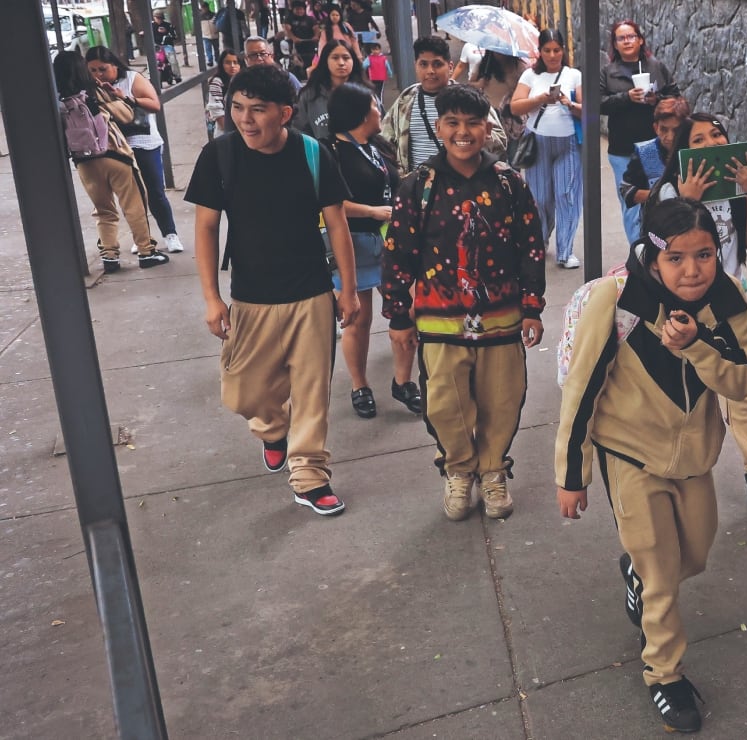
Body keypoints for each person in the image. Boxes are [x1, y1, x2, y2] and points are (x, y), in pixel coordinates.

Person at [556, 199, 747, 734]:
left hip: (694, 460)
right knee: (663, 573)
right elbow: (581, 391)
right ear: (652, 255)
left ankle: (636, 575)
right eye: (676, 258)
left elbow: (744, 381)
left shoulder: (727, 298)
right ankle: (664, 673)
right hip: (631, 455)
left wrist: (697, 347)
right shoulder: (618, 299)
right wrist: (571, 476)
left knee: (694, 553)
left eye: (705, 255)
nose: (692, 270)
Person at [185, 63, 359, 516]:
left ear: (284, 113)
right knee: (243, 393)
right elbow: (206, 228)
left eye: (257, 110)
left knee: (312, 389)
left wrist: (349, 290)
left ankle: (309, 474)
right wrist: (211, 297)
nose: (245, 119)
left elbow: (337, 225)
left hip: (311, 293)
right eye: (238, 108)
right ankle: (272, 427)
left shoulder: (313, 154)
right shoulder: (220, 156)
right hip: (250, 296)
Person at [380, 85, 546, 521]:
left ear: (487, 127)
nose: (463, 132)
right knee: (445, 403)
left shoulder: (509, 183)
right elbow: (398, 252)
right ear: (439, 129)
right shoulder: (417, 187)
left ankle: (492, 471)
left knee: (503, 399)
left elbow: (531, 246)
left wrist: (532, 306)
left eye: (472, 122)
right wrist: (398, 314)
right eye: (452, 123)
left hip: (502, 317)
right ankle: (458, 468)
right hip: (439, 321)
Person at [647, 113, 747, 515]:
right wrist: (686, 200)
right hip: (681, 307)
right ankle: (673, 472)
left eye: (717, 134)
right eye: (699, 138)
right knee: (682, 391)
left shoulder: (735, 192)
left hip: (728, 306)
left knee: (743, 393)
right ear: (684, 150)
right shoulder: (669, 192)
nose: (711, 143)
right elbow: (659, 250)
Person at [324, 82, 402, 419]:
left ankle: (404, 381)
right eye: (374, 105)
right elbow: (329, 203)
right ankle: (360, 385)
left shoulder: (378, 146)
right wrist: (371, 211)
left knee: (404, 310)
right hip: (351, 245)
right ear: (359, 112)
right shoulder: (331, 152)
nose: (379, 110)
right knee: (357, 317)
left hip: (389, 241)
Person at [52, 51, 169, 273]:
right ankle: (146, 252)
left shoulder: (56, 98)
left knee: (103, 210)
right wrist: (113, 96)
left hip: (84, 161)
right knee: (134, 205)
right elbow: (126, 115)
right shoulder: (94, 91)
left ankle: (110, 256)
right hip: (115, 155)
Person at [85, 46, 185, 255]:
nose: (98, 75)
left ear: (114, 65)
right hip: (117, 147)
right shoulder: (92, 88)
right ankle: (143, 238)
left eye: (102, 69)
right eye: (93, 71)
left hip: (143, 141)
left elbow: (154, 104)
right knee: (133, 197)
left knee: (155, 191)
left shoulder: (131, 79)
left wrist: (126, 98)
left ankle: (170, 233)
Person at [380, 36, 507, 176]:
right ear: (415, 65)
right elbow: (385, 140)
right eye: (423, 64)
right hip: (417, 188)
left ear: (450, 67)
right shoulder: (405, 99)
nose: (430, 71)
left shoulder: (468, 99)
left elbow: (500, 142)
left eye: (437, 64)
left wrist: (469, 138)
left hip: (461, 186)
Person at [509, 29, 583, 268]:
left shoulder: (574, 75)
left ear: (563, 51)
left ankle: (565, 250)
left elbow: (588, 111)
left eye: (557, 50)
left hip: (568, 142)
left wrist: (569, 103)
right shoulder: (530, 75)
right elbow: (515, 107)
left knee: (567, 196)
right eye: (547, 50)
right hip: (537, 142)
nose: (552, 55)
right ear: (539, 52)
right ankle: (539, 242)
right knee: (540, 198)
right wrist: (541, 99)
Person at [600, 20, 677, 244]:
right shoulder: (608, 72)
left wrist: (657, 100)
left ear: (640, 39)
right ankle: (638, 253)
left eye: (631, 36)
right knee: (631, 201)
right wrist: (627, 97)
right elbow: (598, 104)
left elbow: (676, 98)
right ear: (615, 44)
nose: (627, 41)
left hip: (652, 146)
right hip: (622, 147)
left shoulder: (655, 66)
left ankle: (657, 247)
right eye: (621, 38)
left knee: (655, 198)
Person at [619, 96, 689, 209]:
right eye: (664, 129)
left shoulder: (694, 149)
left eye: (676, 130)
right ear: (656, 128)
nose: (670, 137)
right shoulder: (644, 152)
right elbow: (626, 190)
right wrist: (658, 195)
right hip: (656, 222)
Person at [293, 39, 367, 140]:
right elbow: (298, 130)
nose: (341, 63)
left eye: (346, 58)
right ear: (325, 61)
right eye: (335, 58)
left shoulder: (365, 93)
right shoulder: (309, 95)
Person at [311, 3, 362, 71]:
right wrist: (322, 58)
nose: (335, 17)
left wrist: (358, 55)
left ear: (340, 16)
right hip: (333, 56)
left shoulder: (346, 26)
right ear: (329, 16)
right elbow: (322, 44)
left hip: (348, 54)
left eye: (337, 15)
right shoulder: (326, 29)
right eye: (333, 15)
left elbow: (354, 41)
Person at [206, 49, 241, 136]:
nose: (232, 66)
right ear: (222, 65)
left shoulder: (242, 81)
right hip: (225, 133)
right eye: (228, 63)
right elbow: (217, 113)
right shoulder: (217, 82)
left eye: (235, 62)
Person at [283, 0, 319, 71]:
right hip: (295, 45)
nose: (299, 11)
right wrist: (293, 38)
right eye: (297, 9)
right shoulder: (289, 19)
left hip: (310, 44)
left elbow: (316, 28)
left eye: (301, 9)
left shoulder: (310, 19)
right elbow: (287, 30)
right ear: (293, 10)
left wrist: (316, 36)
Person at [151, 9, 181, 85]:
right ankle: (152, 76)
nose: (158, 19)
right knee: (151, 62)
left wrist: (166, 32)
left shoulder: (168, 25)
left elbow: (174, 36)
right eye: (157, 17)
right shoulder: (151, 26)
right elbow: (147, 34)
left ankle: (177, 76)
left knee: (173, 61)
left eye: (160, 18)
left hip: (167, 46)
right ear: (154, 17)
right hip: (157, 47)